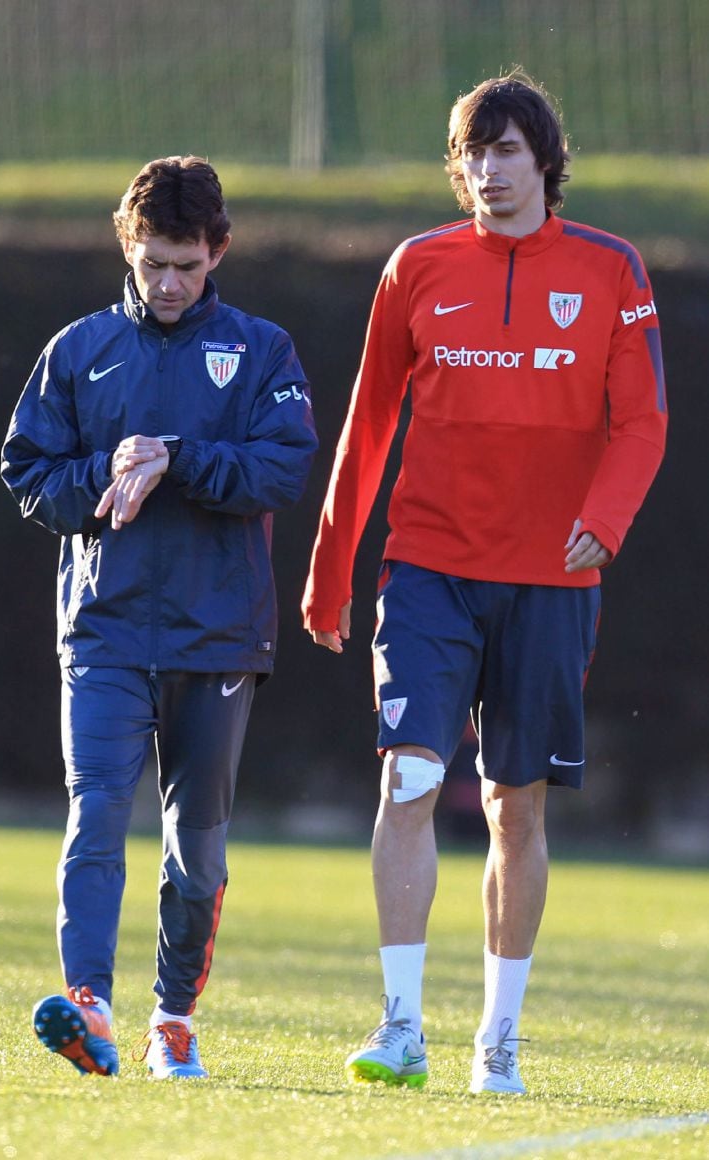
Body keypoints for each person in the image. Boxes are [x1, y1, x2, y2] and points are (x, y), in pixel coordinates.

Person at [302, 71, 666, 1094]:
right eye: (472, 153)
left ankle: (495, 1038)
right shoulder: (415, 266)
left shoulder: (608, 268)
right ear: (454, 167)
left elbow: (641, 419)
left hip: (548, 580)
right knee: (407, 775)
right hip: (426, 566)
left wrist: (601, 519)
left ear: (543, 160)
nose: (488, 171)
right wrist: (331, 569)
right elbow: (368, 423)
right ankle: (401, 1022)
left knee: (514, 809)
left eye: (507, 151)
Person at [1, 155, 317, 1080]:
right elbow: (28, 475)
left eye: (186, 263)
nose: (169, 284)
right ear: (126, 249)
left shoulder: (263, 352)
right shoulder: (78, 349)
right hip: (102, 628)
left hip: (218, 635)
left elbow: (282, 470)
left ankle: (171, 1018)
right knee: (94, 815)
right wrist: (106, 473)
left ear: (217, 251)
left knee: (197, 851)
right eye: (152, 265)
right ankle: (90, 1006)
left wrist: (176, 457)